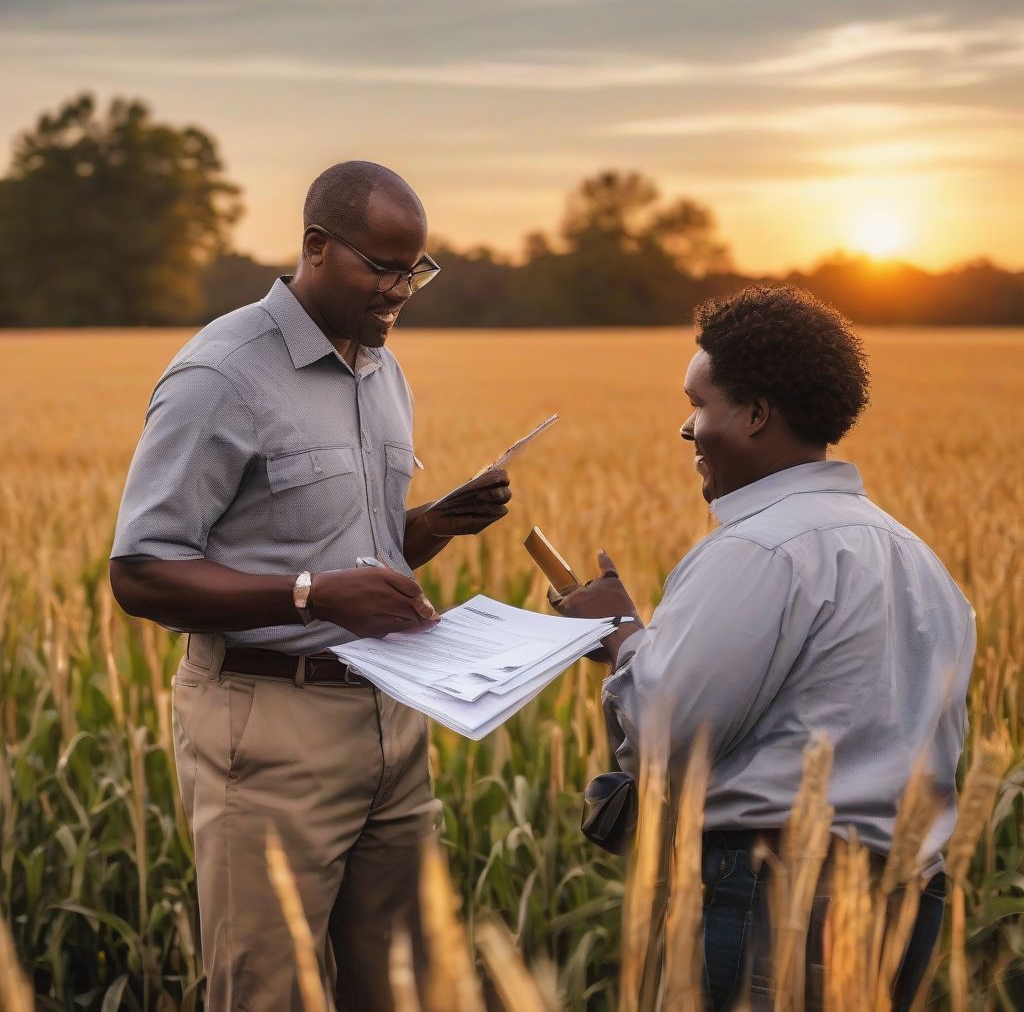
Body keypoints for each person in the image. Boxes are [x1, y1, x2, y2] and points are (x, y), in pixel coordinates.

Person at [109, 161, 512, 1012]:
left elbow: (350, 555)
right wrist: (310, 597)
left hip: (394, 731)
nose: (402, 289)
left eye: (417, 270)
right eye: (384, 267)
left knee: (407, 988)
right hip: (268, 734)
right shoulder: (221, 373)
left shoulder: (382, 370)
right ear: (317, 248)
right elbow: (140, 571)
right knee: (271, 993)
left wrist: (431, 524)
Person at [552, 285, 974, 1011]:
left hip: (782, 905)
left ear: (754, 415)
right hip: (907, 901)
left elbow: (667, 734)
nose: (687, 431)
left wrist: (622, 636)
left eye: (699, 405)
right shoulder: (918, 560)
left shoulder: (759, 549)